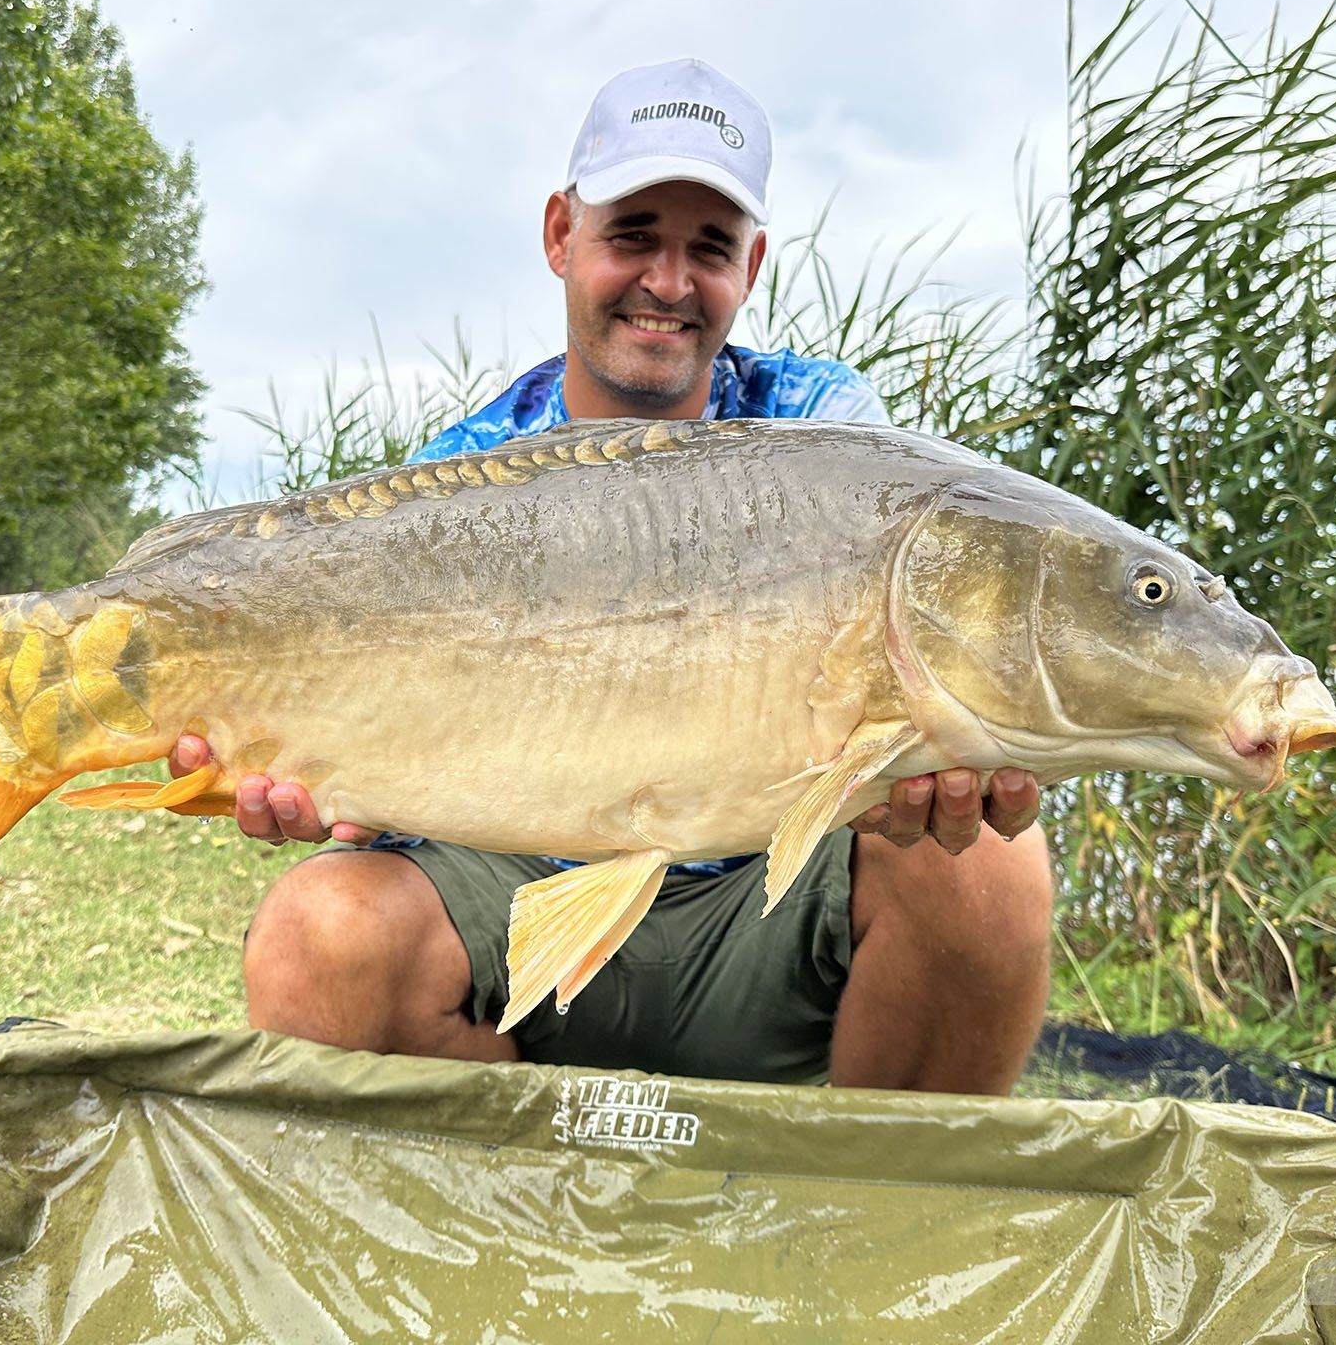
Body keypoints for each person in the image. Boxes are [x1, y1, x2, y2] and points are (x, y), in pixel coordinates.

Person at [170, 60, 1054, 1092]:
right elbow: (385, 787)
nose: (669, 282)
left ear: (752, 266)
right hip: (520, 911)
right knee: (311, 935)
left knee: (987, 864)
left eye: (709, 249)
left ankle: (864, 1216)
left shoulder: (833, 441)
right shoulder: (457, 480)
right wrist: (322, 780)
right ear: (561, 235)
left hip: (757, 908)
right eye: (633, 235)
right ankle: (513, 1218)